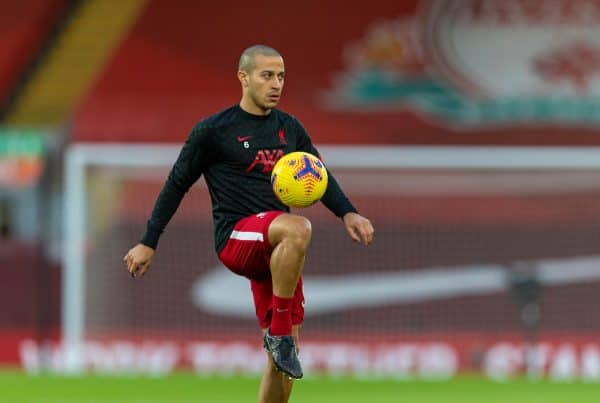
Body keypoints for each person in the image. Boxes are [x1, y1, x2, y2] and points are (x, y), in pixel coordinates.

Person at [123, 44, 374, 403]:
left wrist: (348, 211)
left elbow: (317, 173)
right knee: (298, 227)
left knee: (284, 367)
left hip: (277, 250)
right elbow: (177, 182)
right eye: (267, 75)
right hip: (237, 237)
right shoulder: (213, 130)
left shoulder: (289, 129)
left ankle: (281, 340)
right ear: (244, 77)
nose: (276, 84)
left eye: (281, 76)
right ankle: (281, 335)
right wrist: (149, 240)